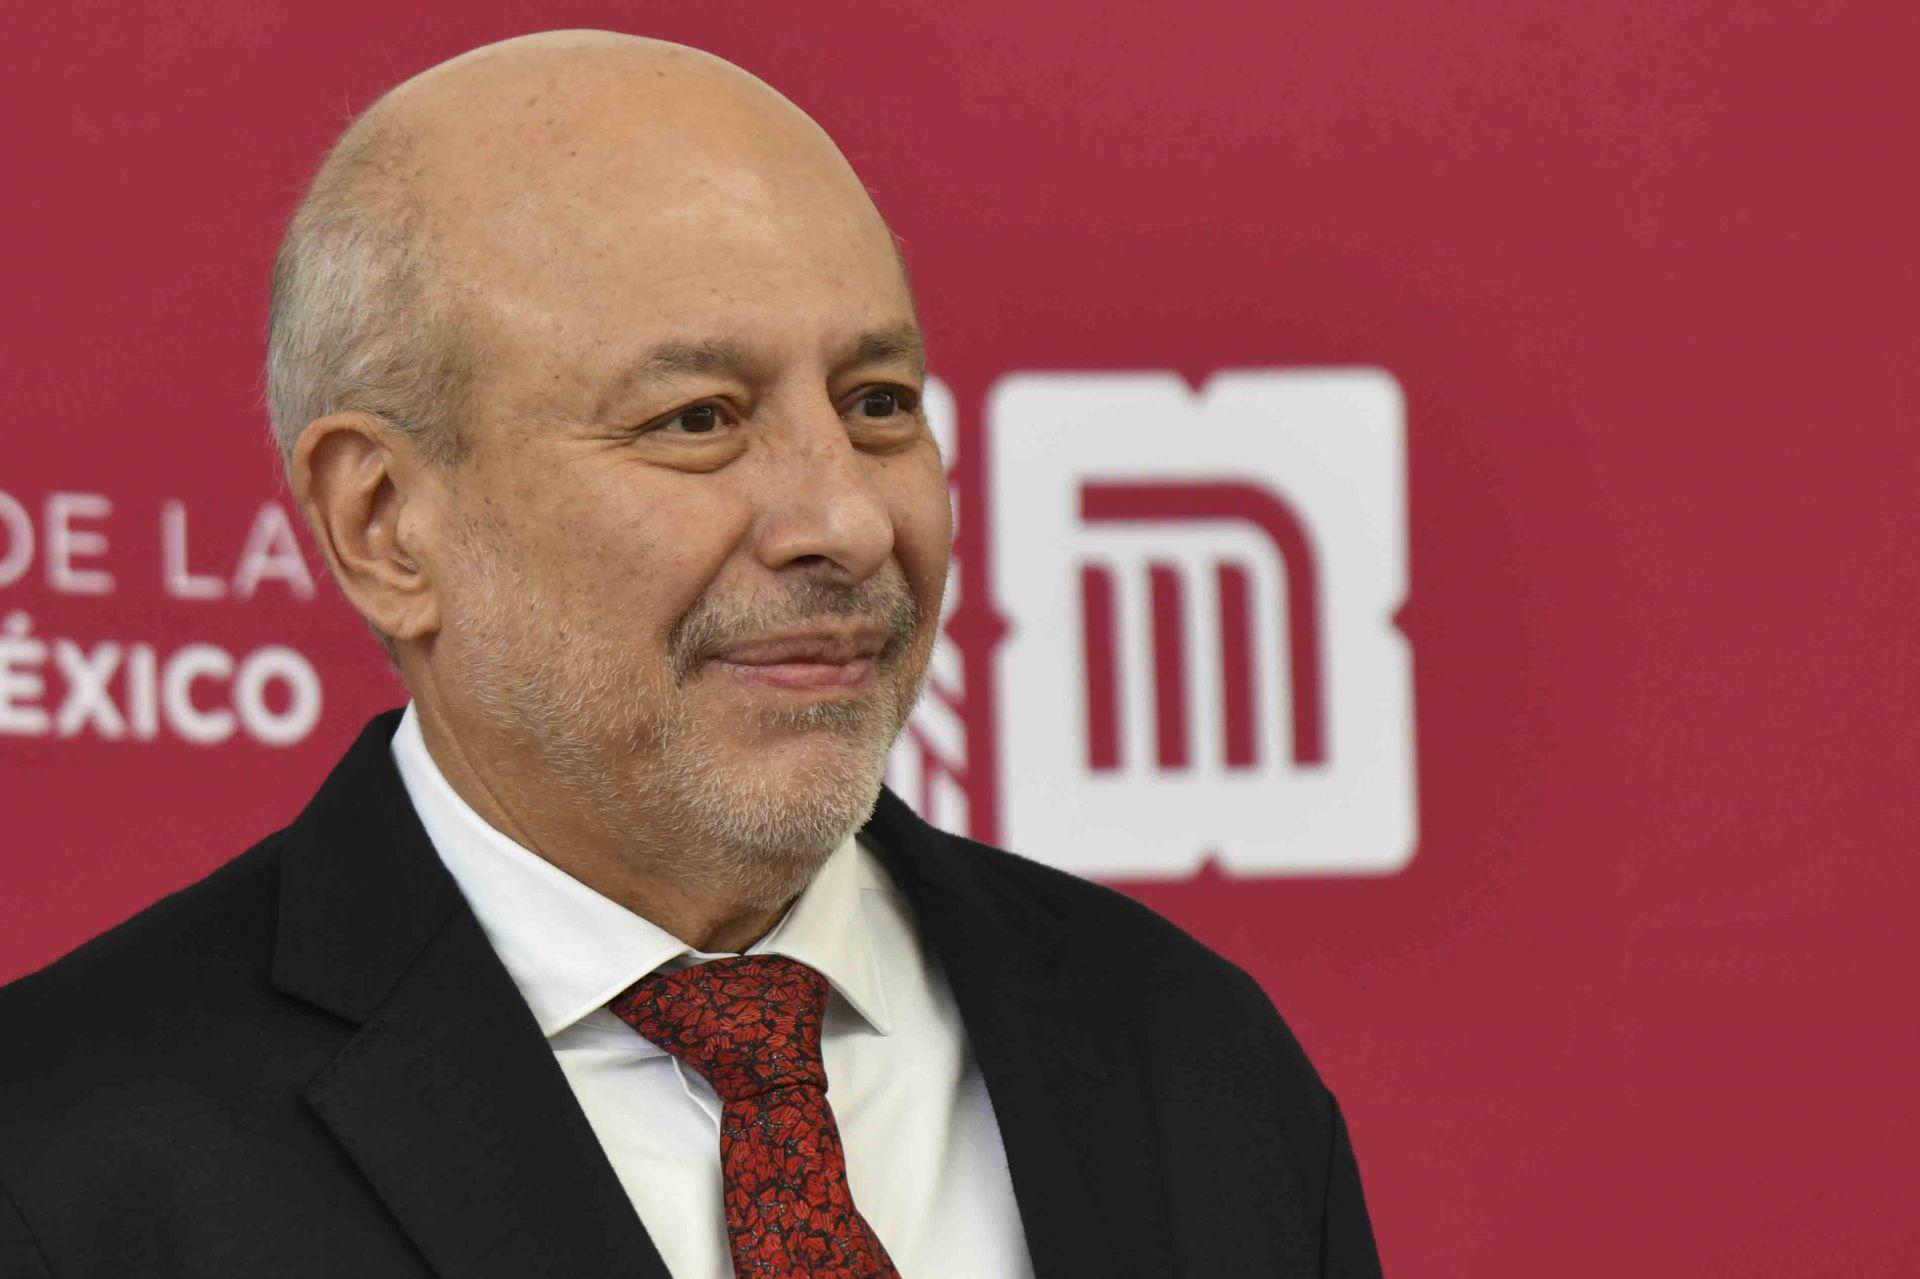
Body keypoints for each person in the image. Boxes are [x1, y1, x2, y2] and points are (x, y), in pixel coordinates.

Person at [0, 30, 1382, 1279]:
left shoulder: (1193, 1063)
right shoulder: (58, 1163)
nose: (846, 521)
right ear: (387, 523)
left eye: (878, 403)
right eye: (698, 420)